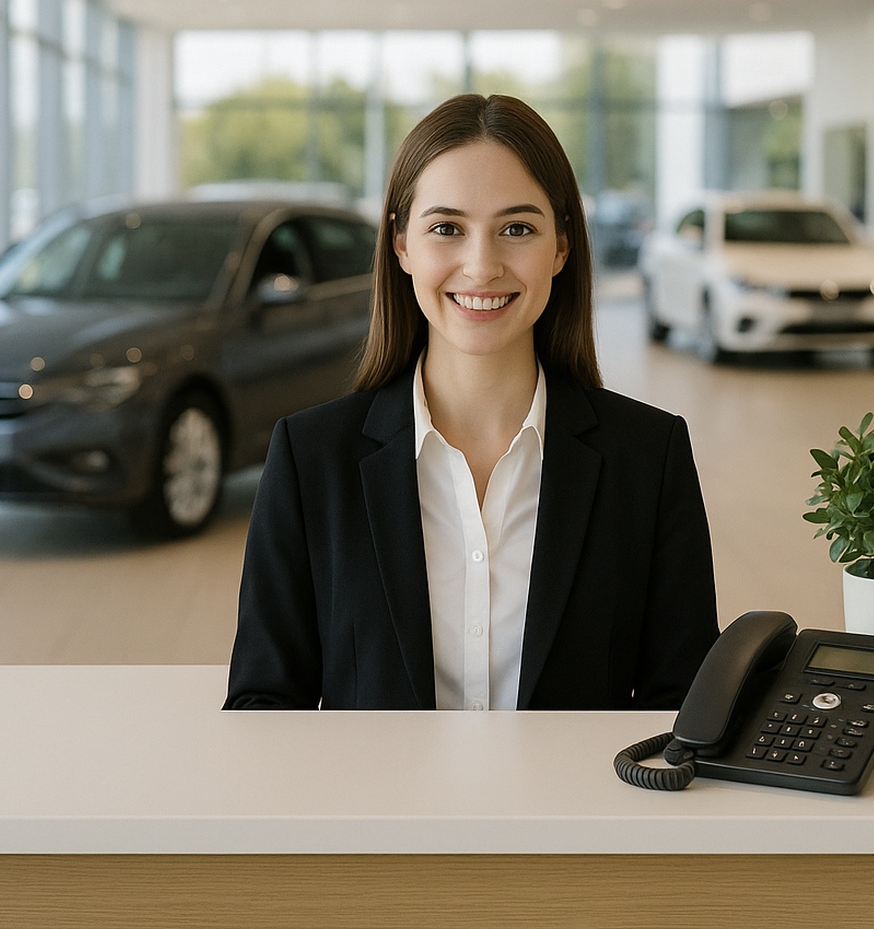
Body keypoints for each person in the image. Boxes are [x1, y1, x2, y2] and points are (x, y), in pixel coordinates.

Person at [224, 93, 719, 711]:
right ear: (401, 244)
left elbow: (687, 713)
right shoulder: (310, 459)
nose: (481, 266)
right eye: (446, 228)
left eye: (517, 229)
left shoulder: (649, 457)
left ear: (561, 246)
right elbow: (263, 711)